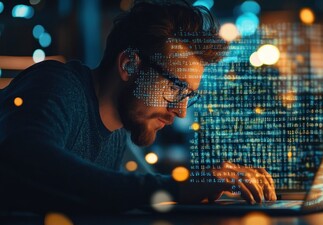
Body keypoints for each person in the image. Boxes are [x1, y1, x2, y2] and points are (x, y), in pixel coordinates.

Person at [0, 0, 276, 213]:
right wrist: (180, 186)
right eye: (174, 88)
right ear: (129, 64)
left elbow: (134, 189)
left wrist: (211, 185)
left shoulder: (117, 133)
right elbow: (32, 159)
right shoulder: (56, 83)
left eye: (188, 95)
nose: (180, 111)